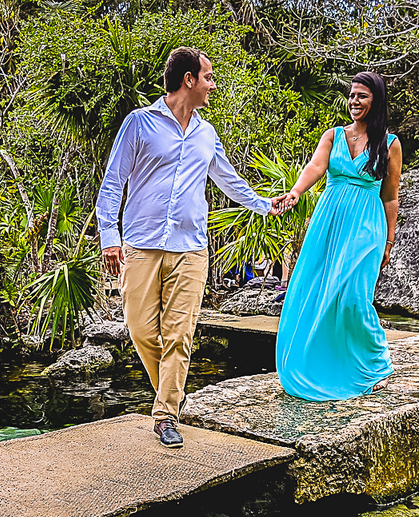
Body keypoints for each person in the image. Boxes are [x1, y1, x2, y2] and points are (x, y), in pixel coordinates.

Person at [97, 46, 286, 447]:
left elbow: (228, 178)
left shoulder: (206, 133)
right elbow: (113, 182)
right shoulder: (139, 123)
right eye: (209, 78)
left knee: (179, 334)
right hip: (141, 245)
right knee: (140, 330)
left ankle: (166, 415)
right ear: (189, 80)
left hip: (191, 248)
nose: (212, 86)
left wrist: (263, 204)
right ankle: (172, 391)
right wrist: (109, 238)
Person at [274, 71, 402, 400]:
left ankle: (378, 363)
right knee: (316, 291)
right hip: (329, 223)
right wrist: (296, 192)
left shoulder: (390, 144)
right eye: (351, 95)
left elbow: (390, 197)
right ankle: (323, 364)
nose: (354, 102)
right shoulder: (334, 135)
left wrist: (389, 242)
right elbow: (315, 167)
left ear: (376, 100)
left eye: (362, 96)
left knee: (354, 297)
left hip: (366, 226)